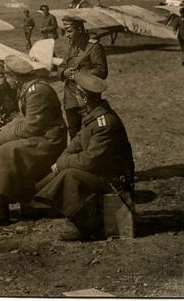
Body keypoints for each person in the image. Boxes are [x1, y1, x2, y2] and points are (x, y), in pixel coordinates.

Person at [35, 71, 134, 241]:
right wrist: (62, 160)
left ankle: (86, 225)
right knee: (62, 171)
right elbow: (76, 143)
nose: (75, 96)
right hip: (100, 172)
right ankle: (42, 200)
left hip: (114, 180)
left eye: (77, 93)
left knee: (70, 174)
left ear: (84, 97)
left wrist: (63, 163)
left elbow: (89, 161)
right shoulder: (92, 115)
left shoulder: (104, 124)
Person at [0, 54, 68, 226]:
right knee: (1, 143)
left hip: (49, 140)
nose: (7, 81)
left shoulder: (37, 91)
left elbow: (31, 127)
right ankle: (7, 192)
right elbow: (24, 118)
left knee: (6, 152)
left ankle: (1, 210)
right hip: (40, 135)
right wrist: (3, 131)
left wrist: (4, 135)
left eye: (7, 76)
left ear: (14, 77)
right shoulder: (28, 87)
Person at [57, 15, 108, 140]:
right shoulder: (73, 46)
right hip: (70, 98)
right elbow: (62, 66)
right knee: (74, 133)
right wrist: (64, 73)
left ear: (79, 29)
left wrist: (78, 75)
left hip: (87, 98)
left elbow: (102, 71)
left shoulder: (94, 47)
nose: (67, 35)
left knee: (89, 132)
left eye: (69, 31)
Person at [0, 60, 18, 127]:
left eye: (0, 77)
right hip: (3, 115)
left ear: (6, 77)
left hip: (15, 116)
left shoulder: (13, 88)